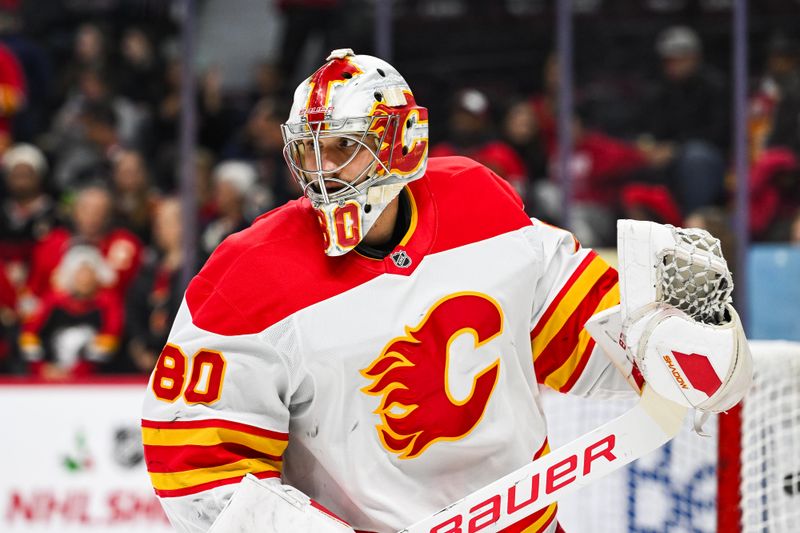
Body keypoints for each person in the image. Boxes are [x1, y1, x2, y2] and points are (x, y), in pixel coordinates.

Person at [141, 49, 751, 533]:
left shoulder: (478, 203)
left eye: (341, 148)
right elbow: (196, 475)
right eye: (310, 149)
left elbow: (580, 328)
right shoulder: (246, 278)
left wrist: (666, 342)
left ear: (397, 143)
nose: (320, 169)